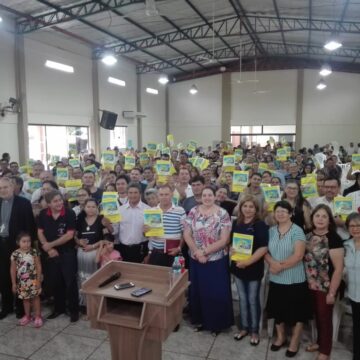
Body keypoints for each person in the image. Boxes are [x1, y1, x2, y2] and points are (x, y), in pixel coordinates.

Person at [183, 187, 233, 336]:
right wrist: (197, 252)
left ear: (215, 196)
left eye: (210, 195)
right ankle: (200, 320)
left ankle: (216, 324)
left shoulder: (223, 214)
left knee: (215, 292)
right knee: (197, 291)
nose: (207, 197)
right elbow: (187, 234)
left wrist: (204, 252)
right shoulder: (193, 211)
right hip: (196, 258)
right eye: (204, 195)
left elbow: (224, 240)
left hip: (216, 260)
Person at [265, 201, 312, 358]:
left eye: (284, 211)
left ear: (291, 213)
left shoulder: (297, 231)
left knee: (297, 313)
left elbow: (298, 256)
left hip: (294, 279)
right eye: (277, 211)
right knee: (277, 310)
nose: (280, 214)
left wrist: (280, 266)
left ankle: (295, 341)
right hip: (276, 278)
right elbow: (265, 251)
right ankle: (281, 337)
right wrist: (273, 263)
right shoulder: (271, 230)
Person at [304, 205, 344, 360]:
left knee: (324, 318)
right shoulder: (307, 236)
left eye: (324, 216)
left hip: (326, 287)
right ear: (312, 218)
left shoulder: (334, 238)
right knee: (317, 317)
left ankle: (325, 351)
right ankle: (320, 342)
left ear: (329, 220)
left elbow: (339, 269)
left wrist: (332, 292)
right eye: (317, 216)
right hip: (309, 285)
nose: (320, 219)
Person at [231, 195, 268, 345]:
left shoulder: (260, 225)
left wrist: (247, 262)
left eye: (251, 207)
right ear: (241, 208)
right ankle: (244, 328)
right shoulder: (237, 223)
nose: (248, 209)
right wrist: (231, 250)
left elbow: (263, 248)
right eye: (245, 206)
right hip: (238, 266)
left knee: (253, 300)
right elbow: (231, 243)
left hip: (252, 268)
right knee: (242, 299)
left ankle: (254, 330)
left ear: (256, 209)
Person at [37, 190, 79, 322]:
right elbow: (40, 232)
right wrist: (47, 247)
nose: (59, 203)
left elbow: (69, 235)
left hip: (67, 252)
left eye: (60, 200)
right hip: (51, 254)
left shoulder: (69, 213)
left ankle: (74, 311)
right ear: (48, 203)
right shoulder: (43, 214)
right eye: (55, 201)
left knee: (70, 282)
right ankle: (58, 308)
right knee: (55, 281)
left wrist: (50, 245)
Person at [0, 177, 36, 319]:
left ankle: (21, 307)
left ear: (12, 187)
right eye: (0, 188)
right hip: (1, 244)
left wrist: (28, 248)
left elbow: (30, 226)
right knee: (3, 277)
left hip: (17, 245)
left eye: (5, 187)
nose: (2, 190)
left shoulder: (24, 203)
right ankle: (7, 306)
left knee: (21, 276)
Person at [76, 199, 113, 308]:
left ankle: (96, 304)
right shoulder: (80, 220)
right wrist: (79, 242)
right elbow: (75, 236)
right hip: (82, 254)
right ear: (84, 207)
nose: (91, 209)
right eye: (88, 206)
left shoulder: (102, 219)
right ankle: (84, 302)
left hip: (96, 254)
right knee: (82, 277)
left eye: (93, 206)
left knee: (95, 278)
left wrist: (93, 246)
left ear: (97, 208)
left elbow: (109, 236)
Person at [145, 184, 185, 267]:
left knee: (174, 278)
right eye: (161, 195)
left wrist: (179, 248)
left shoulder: (180, 211)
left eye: (166, 194)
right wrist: (145, 231)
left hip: (173, 253)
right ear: (158, 196)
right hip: (156, 253)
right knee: (156, 279)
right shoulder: (151, 212)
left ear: (172, 195)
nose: (164, 197)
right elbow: (147, 235)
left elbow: (184, 232)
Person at [10, 232, 42, 327]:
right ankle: (27, 316)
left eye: (28, 241)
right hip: (22, 282)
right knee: (25, 299)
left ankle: (37, 316)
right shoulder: (15, 254)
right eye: (24, 241)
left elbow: (38, 266)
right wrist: (13, 283)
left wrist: (39, 280)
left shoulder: (34, 252)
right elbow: (12, 269)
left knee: (36, 298)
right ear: (18, 242)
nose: (27, 243)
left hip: (34, 280)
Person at [113, 183, 150, 263]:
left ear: (140, 194)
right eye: (130, 193)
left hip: (141, 249)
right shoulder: (120, 210)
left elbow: (152, 235)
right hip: (123, 250)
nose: (133, 195)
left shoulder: (148, 210)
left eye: (135, 192)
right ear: (127, 194)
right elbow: (115, 231)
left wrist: (149, 254)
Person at [344, 213, 360, 360]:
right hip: (354, 294)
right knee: (356, 326)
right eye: (352, 226)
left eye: (358, 225)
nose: (355, 228)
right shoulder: (346, 246)